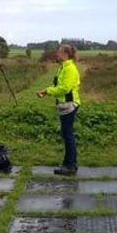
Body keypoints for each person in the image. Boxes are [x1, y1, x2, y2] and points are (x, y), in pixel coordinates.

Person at [36, 44, 81, 175]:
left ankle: (70, 166)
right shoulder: (63, 67)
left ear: (66, 54)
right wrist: (46, 92)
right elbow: (58, 85)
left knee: (68, 135)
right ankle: (68, 164)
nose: (57, 54)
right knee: (67, 134)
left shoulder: (70, 69)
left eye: (59, 52)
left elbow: (64, 89)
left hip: (69, 105)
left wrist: (47, 91)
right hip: (64, 105)